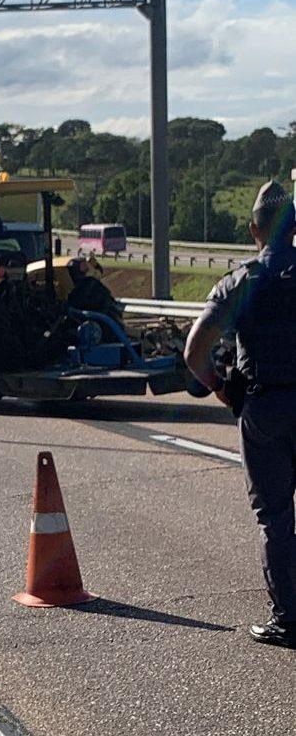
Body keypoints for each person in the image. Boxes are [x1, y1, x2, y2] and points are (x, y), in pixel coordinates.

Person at [184, 180, 296, 649]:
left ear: (254, 229)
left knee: (275, 517)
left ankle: (289, 618)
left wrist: (224, 389)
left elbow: (195, 353)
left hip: (264, 407)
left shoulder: (240, 281)